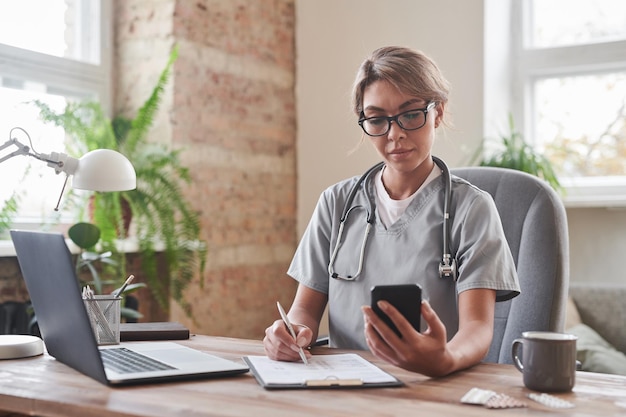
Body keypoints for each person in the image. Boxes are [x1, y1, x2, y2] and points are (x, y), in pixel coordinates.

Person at [263, 46, 520, 377]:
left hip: (433, 385)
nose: (395, 134)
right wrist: (289, 334)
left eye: (411, 114)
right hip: (346, 386)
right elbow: (303, 312)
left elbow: (477, 329)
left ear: (438, 113)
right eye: (377, 119)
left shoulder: (471, 208)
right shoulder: (336, 203)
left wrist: (446, 359)